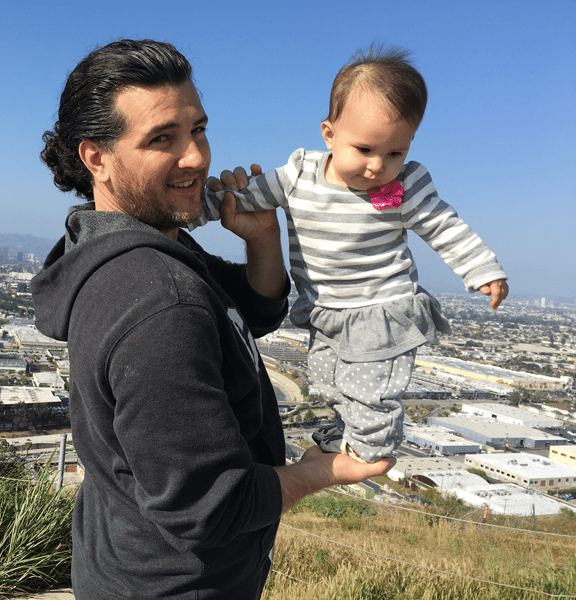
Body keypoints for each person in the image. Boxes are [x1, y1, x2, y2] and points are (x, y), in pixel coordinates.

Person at [31, 39, 394, 599]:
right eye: (162, 139)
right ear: (96, 157)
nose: (197, 156)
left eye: (197, 129)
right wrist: (320, 472)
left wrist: (264, 238)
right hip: (179, 585)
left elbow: (245, 315)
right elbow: (210, 503)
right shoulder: (158, 300)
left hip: (122, 559)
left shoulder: (138, 249)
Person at [193, 45, 509, 464]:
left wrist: (481, 268)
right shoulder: (298, 175)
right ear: (329, 133)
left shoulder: (406, 187)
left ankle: (371, 448)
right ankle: (348, 429)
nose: (379, 166)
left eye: (395, 153)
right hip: (325, 309)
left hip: (381, 309)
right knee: (328, 379)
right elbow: (243, 197)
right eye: (365, 149)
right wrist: (195, 210)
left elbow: (442, 224)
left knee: (371, 389)